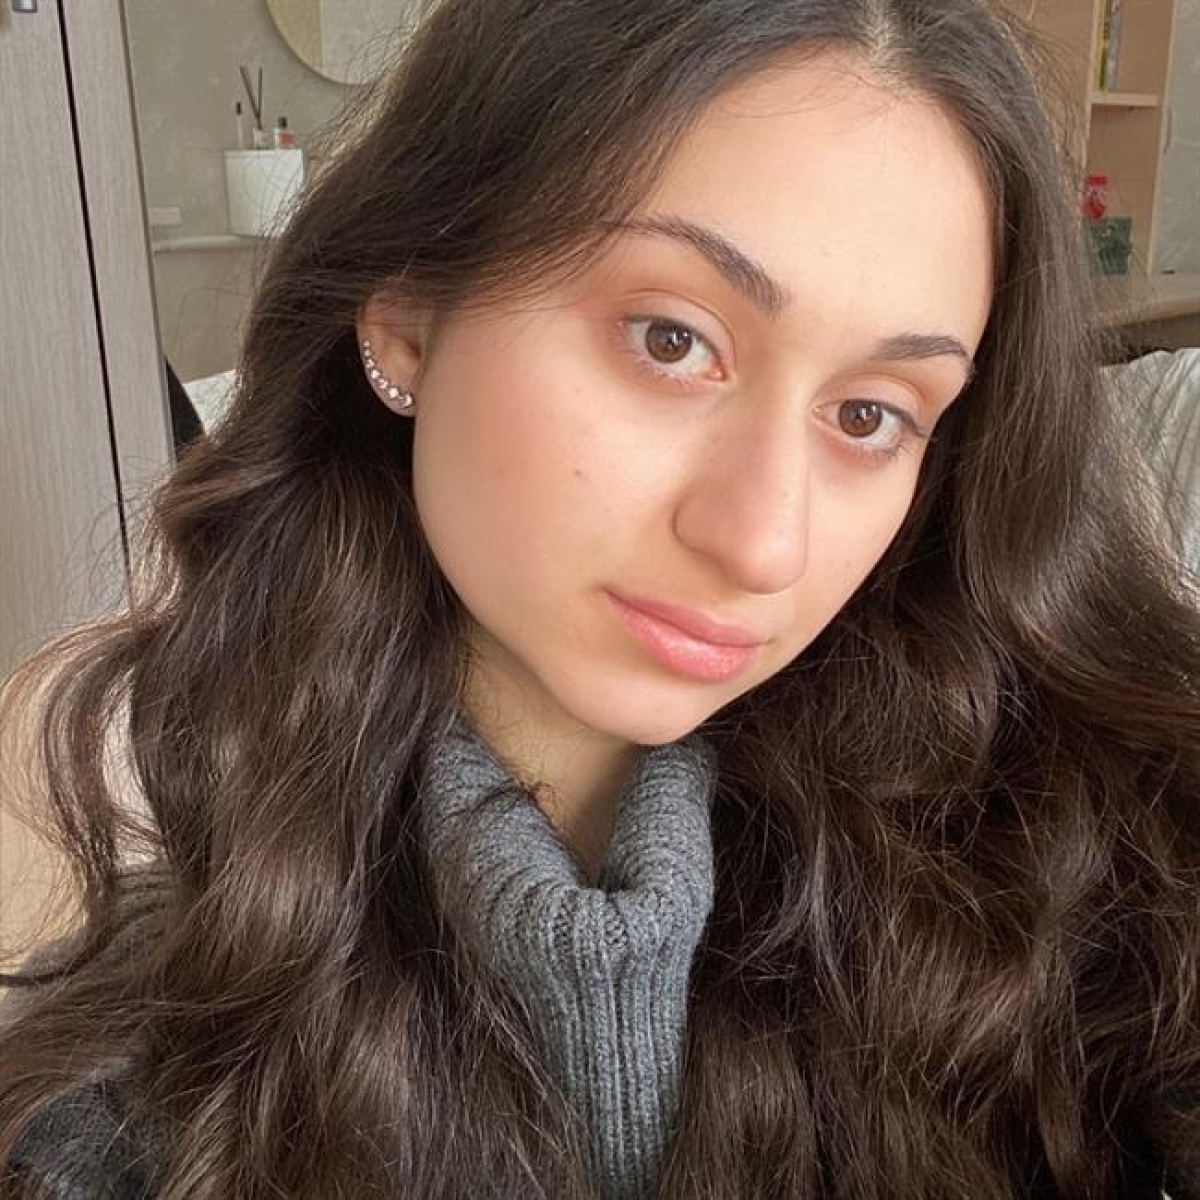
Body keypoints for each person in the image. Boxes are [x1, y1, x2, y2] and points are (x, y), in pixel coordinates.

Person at [1, 0, 1198, 1196]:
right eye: (671, 340)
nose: (763, 542)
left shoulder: (1099, 897)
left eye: (869, 414)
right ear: (408, 316)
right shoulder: (138, 1094)